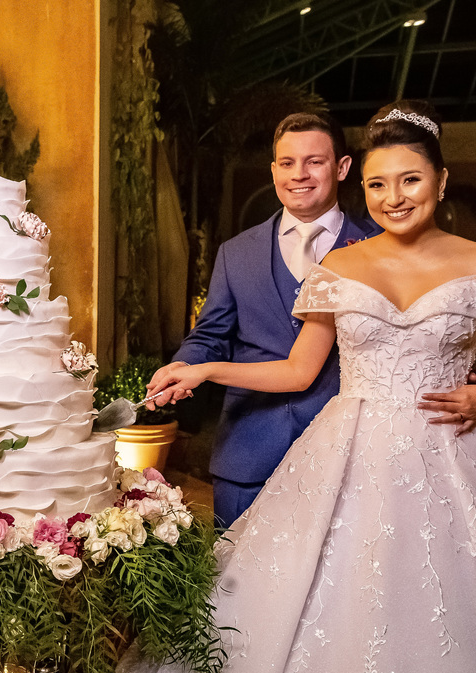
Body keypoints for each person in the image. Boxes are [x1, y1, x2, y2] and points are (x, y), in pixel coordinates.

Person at [97, 100, 476, 673]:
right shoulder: (339, 267)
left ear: (442, 181)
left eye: (409, 181)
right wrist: (207, 368)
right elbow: (298, 371)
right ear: (359, 185)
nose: (393, 197)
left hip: (450, 459)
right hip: (344, 453)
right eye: (377, 184)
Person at [161, 112, 380, 527]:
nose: (299, 174)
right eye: (286, 162)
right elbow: (211, 333)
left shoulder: (376, 247)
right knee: (237, 583)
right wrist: (183, 364)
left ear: (342, 167)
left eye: (314, 161)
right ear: (274, 170)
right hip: (249, 450)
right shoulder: (237, 252)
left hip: (352, 452)